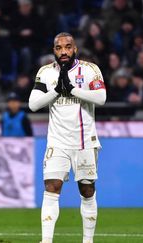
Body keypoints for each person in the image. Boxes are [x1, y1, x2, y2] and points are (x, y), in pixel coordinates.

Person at [29, 32, 106, 243]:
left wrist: (72, 89)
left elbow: (101, 98)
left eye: (68, 47)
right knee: (51, 187)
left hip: (84, 141)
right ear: (54, 50)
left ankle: (87, 241)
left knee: (87, 189)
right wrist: (56, 90)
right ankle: (46, 241)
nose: (63, 51)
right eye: (59, 47)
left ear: (75, 49)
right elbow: (33, 104)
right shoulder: (45, 72)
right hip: (57, 142)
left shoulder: (90, 70)